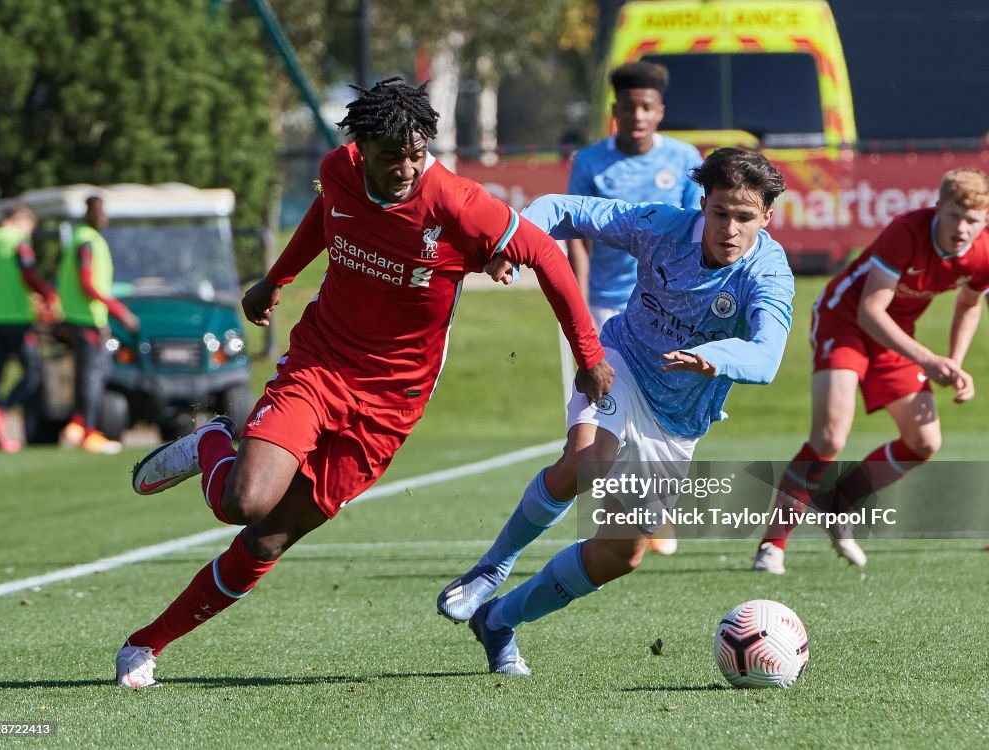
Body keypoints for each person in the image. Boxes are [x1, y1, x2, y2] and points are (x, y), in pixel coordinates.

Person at [116, 78, 613, 688]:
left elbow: (549, 258)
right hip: (321, 365)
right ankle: (214, 441)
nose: (405, 168)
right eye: (390, 156)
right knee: (241, 502)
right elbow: (327, 218)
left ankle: (146, 643)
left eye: (416, 153)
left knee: (267, 540)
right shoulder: (338, 171)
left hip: (391, 403)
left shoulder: (457, 202)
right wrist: (276, 280)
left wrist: (588, 355)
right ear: (360, 149)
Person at [437, 147, 794, 676]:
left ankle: (497, 619)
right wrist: (511, 240)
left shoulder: (769, 273)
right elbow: (561, 209)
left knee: (620, 556)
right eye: (721, 213)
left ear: (766, 218)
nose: (731, 228)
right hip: (620, 363)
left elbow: (765, 356)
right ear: (703, 205)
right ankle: (492, 567)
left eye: (745, 217)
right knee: (588, 457)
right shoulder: (662, 226)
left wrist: (714, 357)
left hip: (678, 420)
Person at [753, 168, 989, 575]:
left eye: (973, 220)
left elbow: (969, 304)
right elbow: (869, 310)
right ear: (939, 208)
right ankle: (773, 544)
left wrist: (953, 362)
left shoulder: (982, 252)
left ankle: (839, 502)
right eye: (954, 216)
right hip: (843, 322)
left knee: (923, 441)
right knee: (829, 438)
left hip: (894, 337)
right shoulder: (907, 231)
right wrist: (929, 361)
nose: (962, 228)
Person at [565, 60, 704, 555]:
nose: (638, 115)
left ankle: (650, 515)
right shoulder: (590, 162)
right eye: (629, 107)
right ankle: (605, 524)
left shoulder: (685, 159)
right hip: (602, 308)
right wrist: (576, 302)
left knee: (655, 417)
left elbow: (695, 235)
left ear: (660, 111)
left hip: (662, 312)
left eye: (647, 107)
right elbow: (576, 234)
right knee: (599, 419)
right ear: (615, 111)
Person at [56, 195, 139, 454]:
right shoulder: (87, 241)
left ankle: (77, 426)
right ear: (89, 212)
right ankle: (89, 433)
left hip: (82, 318)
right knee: (93, 377)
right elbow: (87, 282)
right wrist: (119, 311)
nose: (104, 216)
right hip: (87, 319)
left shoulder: (81, 237)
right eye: (100, 211)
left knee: (88, 375)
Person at [0, 204, 58, 452]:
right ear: (21, 220)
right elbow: (28, 275)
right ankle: (2, 411)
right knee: (33, 373)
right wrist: (47, 294)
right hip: (16, 318)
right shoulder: (17, 240)